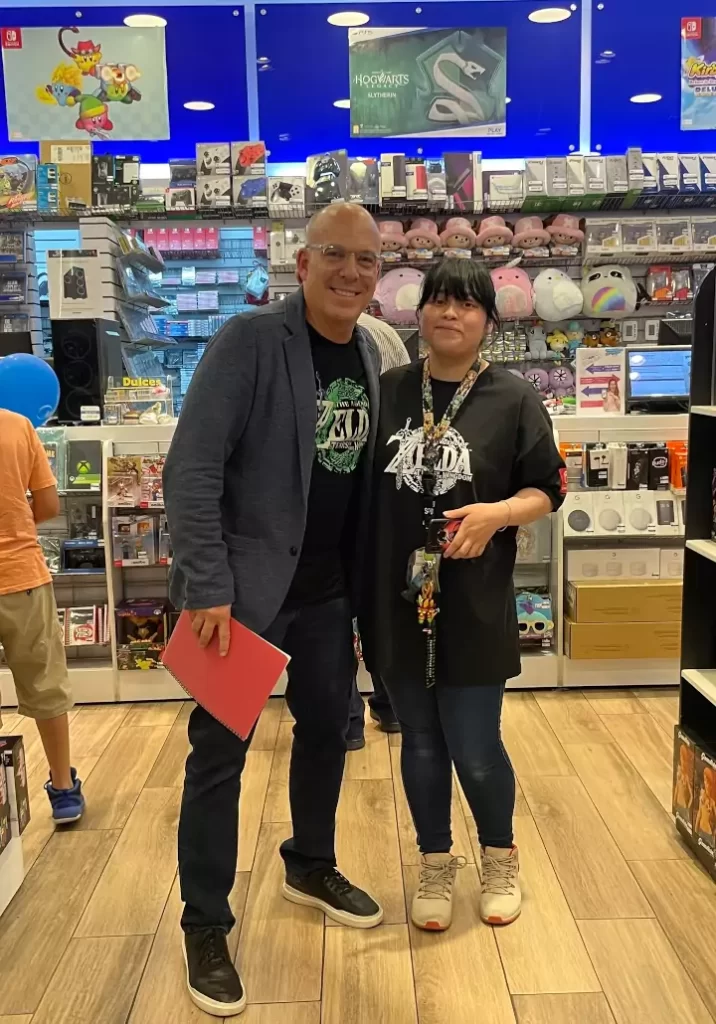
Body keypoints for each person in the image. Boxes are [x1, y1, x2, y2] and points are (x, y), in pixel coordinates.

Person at [163, 202, 385, 1019]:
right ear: (302, 263)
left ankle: (310, 863)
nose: (351, 272)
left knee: (327, 735)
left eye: (366, 260)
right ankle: (205, 923)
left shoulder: (370, 350)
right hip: (240, 600)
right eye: (335, 254)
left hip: (327, 596)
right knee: (219, 759)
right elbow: (190, 469)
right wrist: (208, 584)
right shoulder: (250, 341)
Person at [368, 260, 564, 933]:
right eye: (438, 300)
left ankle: (500, 858)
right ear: (418, 312)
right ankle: (434, 862)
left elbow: (547, 489)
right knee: (420, 743)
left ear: (488, 319)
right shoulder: (390, 390)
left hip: (477, 603)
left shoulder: (514, 397)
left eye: (466, 303)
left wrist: (498, 514)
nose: (450, 313)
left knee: (476, 747)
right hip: (400, 602)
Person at [0, 408, 84, 823]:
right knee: (45, 685)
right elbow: (48, 505)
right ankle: (63, 789)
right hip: (21, 574)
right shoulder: (17, 426)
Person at [347, 313, 409, 745]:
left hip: (337, 496)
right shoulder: (386, 333)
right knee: (381, 603)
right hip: (383, 490)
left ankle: (347, 719)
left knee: (338, 614)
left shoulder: (325, 333)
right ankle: (390, 707)